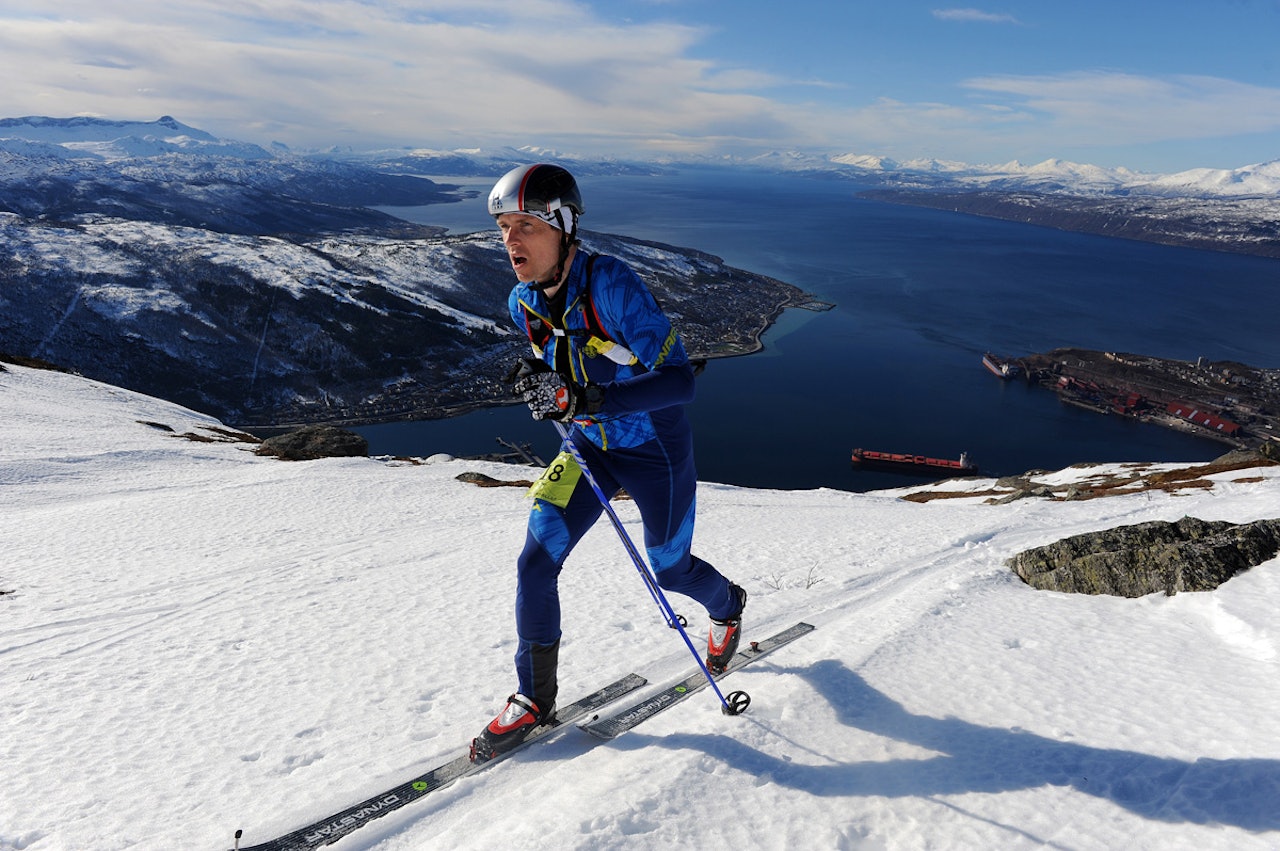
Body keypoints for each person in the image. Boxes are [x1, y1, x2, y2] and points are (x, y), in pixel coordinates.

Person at [472, 163, 746, 761]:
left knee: (669, 571)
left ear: (565, 227)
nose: (511, 241)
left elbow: (679, 382)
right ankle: (533, 698)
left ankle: (728, 604)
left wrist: (591, 398)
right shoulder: (523, 300)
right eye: (503, 227)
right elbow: (562, 367)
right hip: (588, 447)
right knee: (534, 564)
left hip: (653, 449)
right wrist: (538, 380)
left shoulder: (612, 286)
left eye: (526, 225)